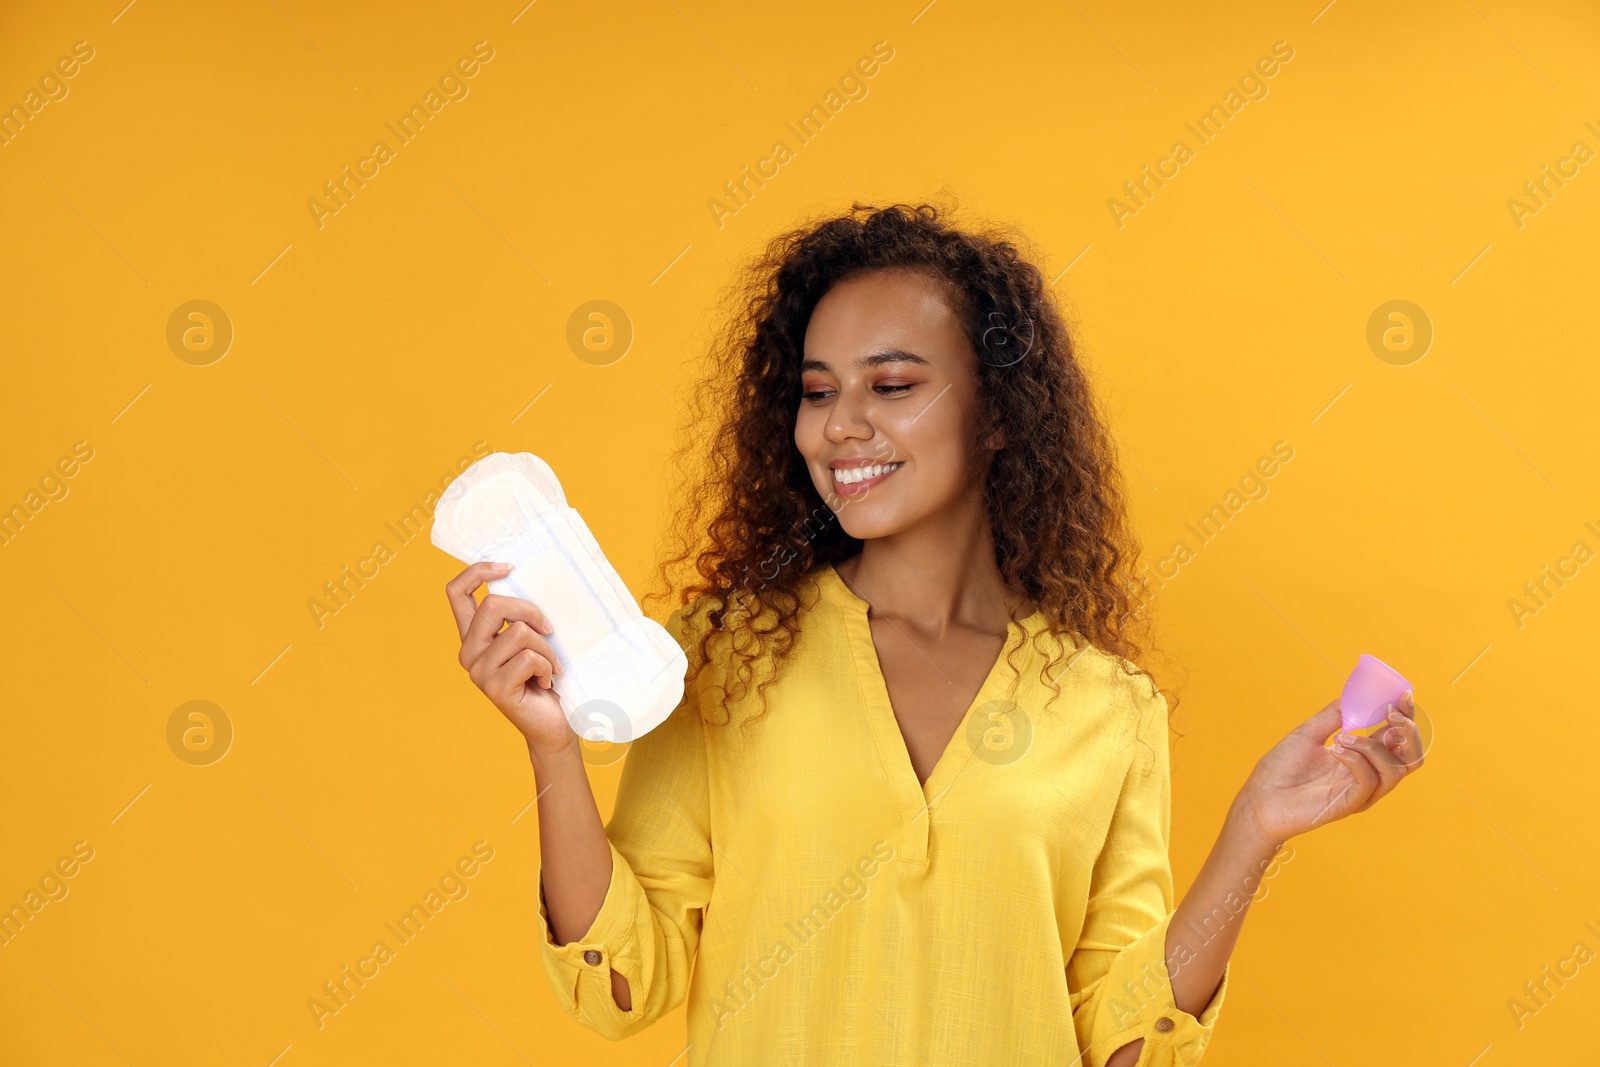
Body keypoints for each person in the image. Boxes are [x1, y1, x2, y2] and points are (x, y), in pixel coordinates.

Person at [443, 202, 1425, 1066]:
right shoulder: (721, 656)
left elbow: (1118, 1041)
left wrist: (1251, 833)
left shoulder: (1108, 707)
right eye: (819, 391)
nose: (840, 426)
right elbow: (625, 984)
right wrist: (553, 748)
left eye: (894, 384)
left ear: (997, 413)